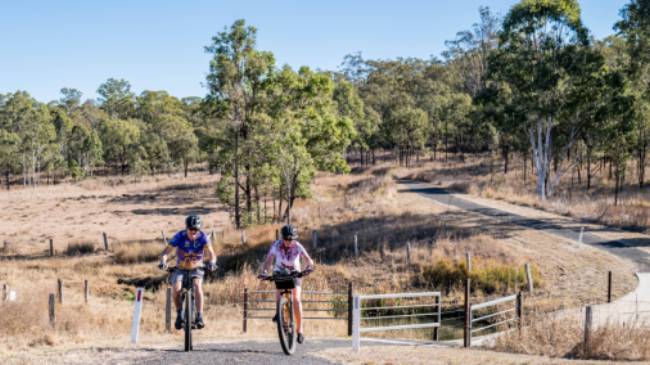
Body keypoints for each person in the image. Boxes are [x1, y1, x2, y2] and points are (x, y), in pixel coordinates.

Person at [258, 224, 314, 344]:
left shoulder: (298, 246)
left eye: (291, 239)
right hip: (280, 272)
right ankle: (279, 312)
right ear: (282, 238)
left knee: (297, 300)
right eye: (286, 239)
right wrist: (264, 271)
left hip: (295, 273)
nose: (289, 241)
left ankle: (300, 331)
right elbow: (269, 260)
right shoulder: (276, 245)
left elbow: (309, 260)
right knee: (279, 296)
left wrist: (309, 267)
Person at [159, 214, 217, 330]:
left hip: (197, 268)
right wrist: (163, 262)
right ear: (187, 228)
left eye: (196, 229)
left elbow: (211, 253)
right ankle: (179, 314)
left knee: (197, 286)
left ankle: (199, 316)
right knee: (176, 289)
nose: (193, 231)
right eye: (191, 229)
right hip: (180, 268)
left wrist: (212, 263)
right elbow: (166, 252)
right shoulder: (179, 236)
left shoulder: (203, 238)